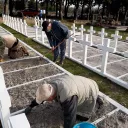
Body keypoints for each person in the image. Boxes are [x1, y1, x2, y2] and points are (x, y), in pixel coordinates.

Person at [25, 75, 100, 128]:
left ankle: (97, 98)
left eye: (46, 100)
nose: (45, 101)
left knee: (82, 117)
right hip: (80, 83)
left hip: (91, 88)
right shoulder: (50, 86)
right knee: (66, 105)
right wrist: (31, 106)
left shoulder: (68, 95)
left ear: (51, 97)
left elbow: (70, 117)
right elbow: (42, 96)